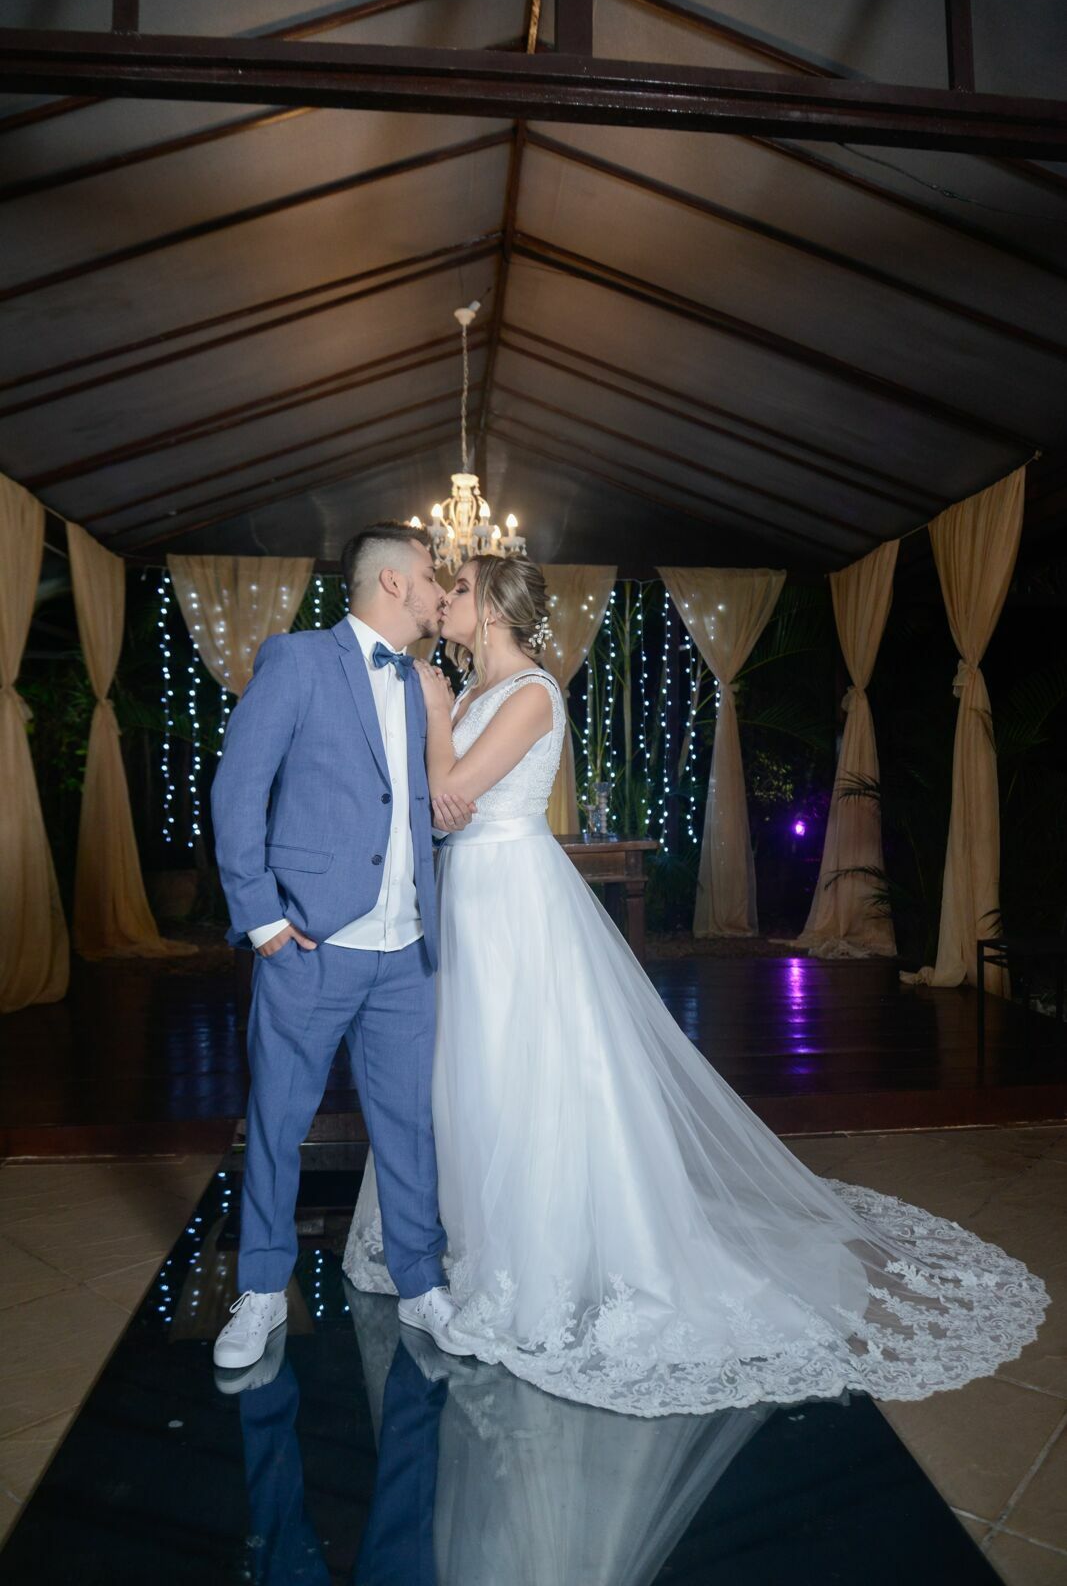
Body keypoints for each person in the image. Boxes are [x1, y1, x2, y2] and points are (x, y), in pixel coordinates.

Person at [345, 553, 1049, 1417]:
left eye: (457, 589)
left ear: (490, 607)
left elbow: (449, 792)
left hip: (513, 901)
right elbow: (440, 801)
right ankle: (463, 1236)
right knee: (467, 1072)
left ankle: (538, 1258)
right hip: (467, 896)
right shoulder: (473, 693)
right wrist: (441, 734)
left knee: (526, 1068)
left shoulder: (527, 693)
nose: (443, 600)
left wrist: (432, 718)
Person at [211, 523, 475, 1370]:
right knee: (276, 1122)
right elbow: (236, 790)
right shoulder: (297, 661)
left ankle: (421, 1283)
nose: (440, 590)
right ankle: (260, 1291)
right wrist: (262, 921)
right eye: (431, 574)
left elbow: (418, 804)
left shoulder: (422, 681)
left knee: (407, 1126)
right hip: (310, 945)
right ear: (393, 582)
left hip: (406, 950)